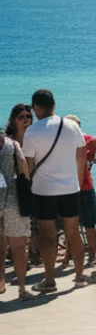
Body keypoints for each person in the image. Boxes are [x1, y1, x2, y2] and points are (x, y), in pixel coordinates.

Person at [22, 89, 88, 293]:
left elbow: (28, 164)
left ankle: (49, 280)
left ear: (37, 107)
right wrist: (76, 180)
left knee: (47, 235)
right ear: (54, 105)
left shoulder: (32, 131)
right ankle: (79, 275)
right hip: (70, 188)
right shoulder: (71, 126)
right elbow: (81, 155)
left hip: (44, 191)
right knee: (73, 232)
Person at [0, 127, 32, 300]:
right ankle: (21, 288)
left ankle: (1, 281)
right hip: (13, 201)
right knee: (18, 247)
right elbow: (24, 169)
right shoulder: (13, 145)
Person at [64, 115, 96, 264]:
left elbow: (95, 140)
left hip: (78, 187)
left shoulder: (79, 142)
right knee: (77, 225)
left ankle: (89, 253)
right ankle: (74, 254)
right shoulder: (78, 143)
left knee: (84, 224)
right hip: (75, 187)